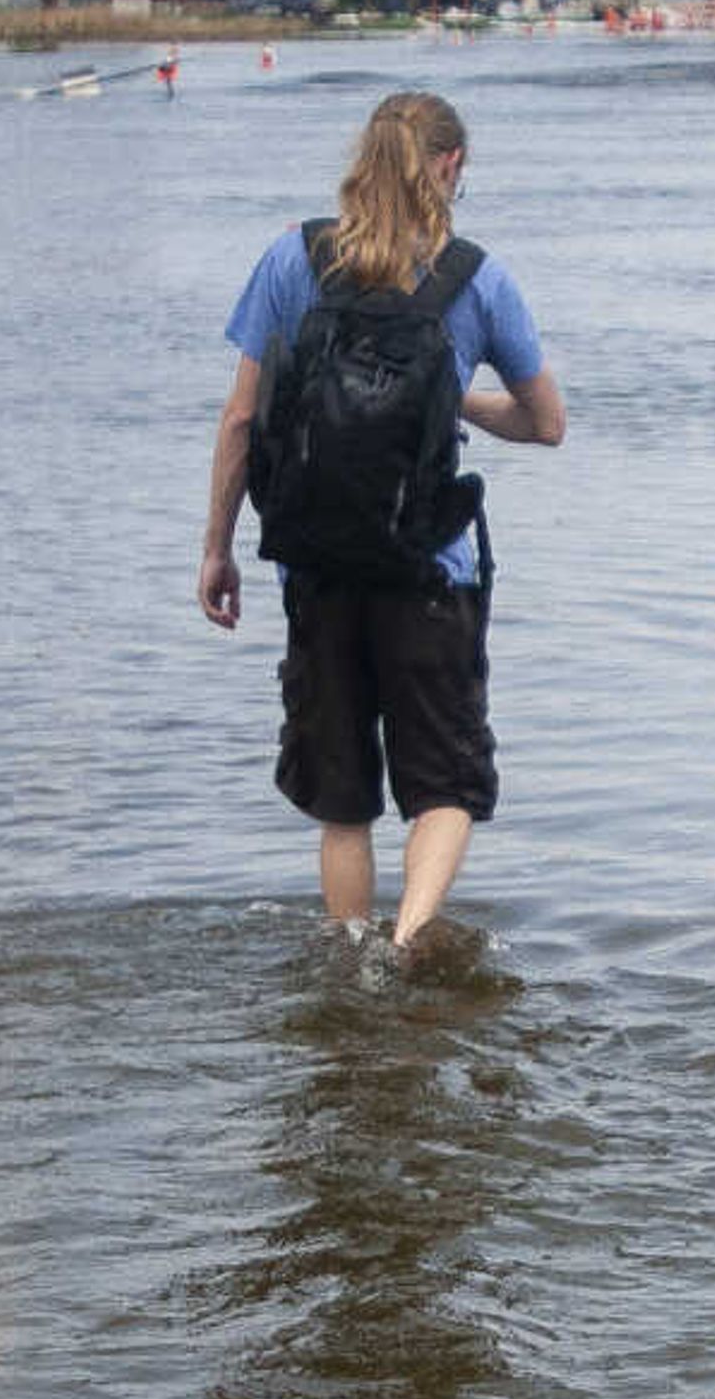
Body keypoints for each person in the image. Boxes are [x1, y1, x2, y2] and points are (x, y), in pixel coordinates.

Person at [199, 91, 566, 953]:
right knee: (445, 785)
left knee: (343, 800)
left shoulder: (293, 260)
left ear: (363, 160)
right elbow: (545, 423)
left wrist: (217, 548)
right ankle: (407, 942)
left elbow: (241, 422)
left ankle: (355, 963)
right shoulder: (476, 278)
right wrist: (455, 403)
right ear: (449, 167)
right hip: (428, 572)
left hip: (316, 568)